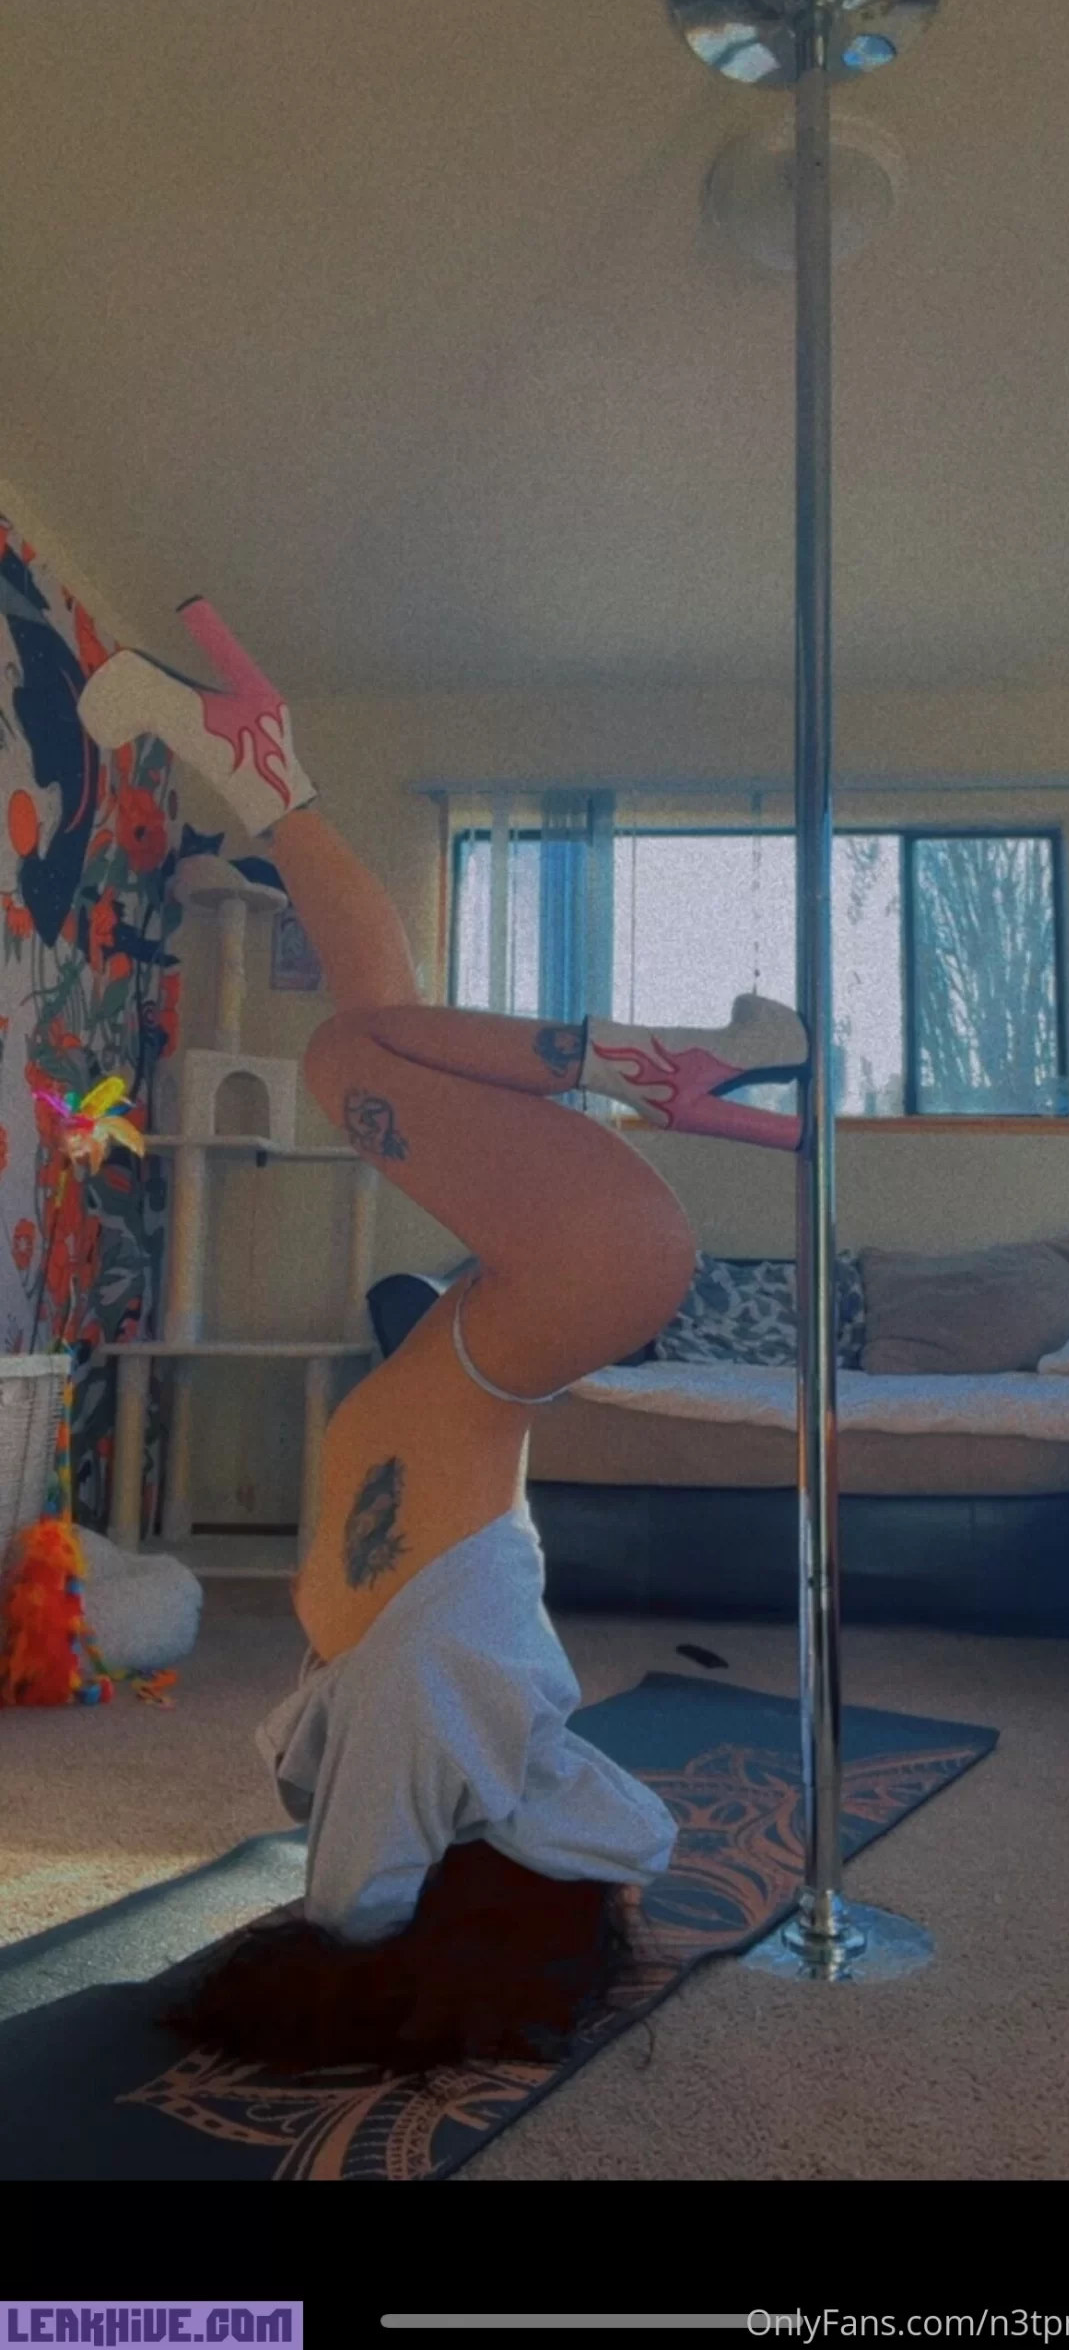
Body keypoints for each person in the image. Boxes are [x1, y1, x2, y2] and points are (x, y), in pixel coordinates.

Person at [77, 601, 810, 2074]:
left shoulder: (415, 1696)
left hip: (554, 1284)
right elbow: (362, 1890)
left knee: (375, 1025)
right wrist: (364, 1937)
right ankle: (670, 1062)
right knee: (347, 1053)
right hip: (584, 1271)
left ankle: (261, 763)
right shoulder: (438, 1712)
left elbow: (377, 1830)